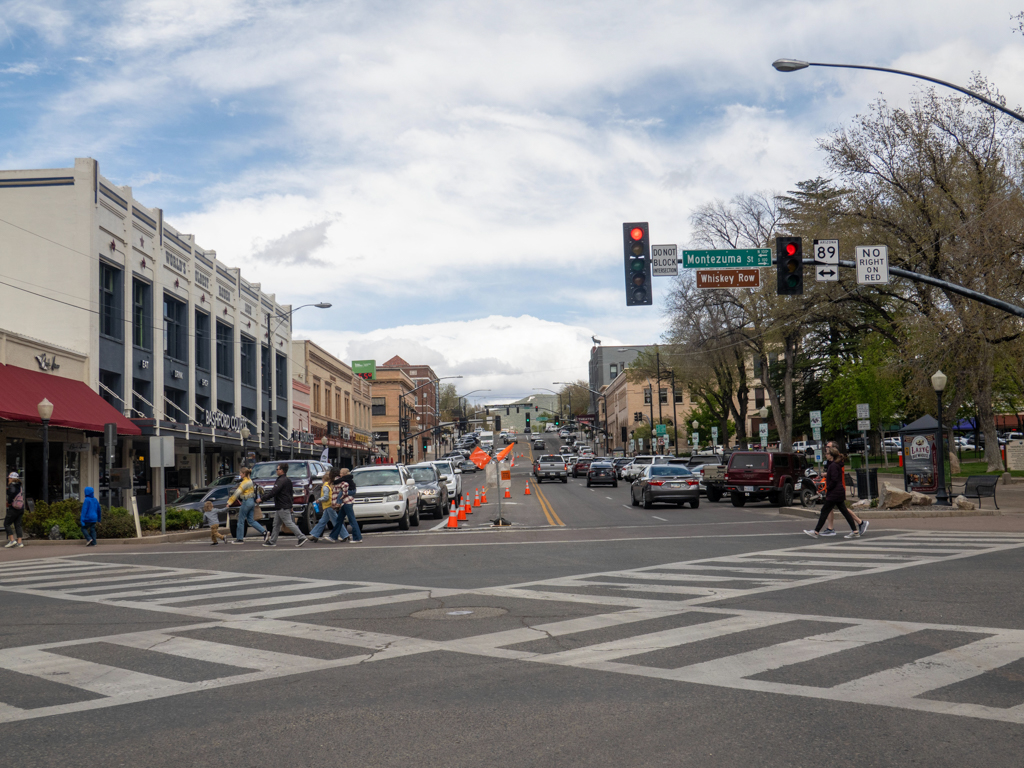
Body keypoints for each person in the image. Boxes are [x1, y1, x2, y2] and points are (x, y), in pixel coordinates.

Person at [805, 447, 862, 539]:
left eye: (827, 454)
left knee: (824, 511)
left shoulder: (834, 466)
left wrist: (828, 487)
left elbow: (834, 479)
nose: (826, 455)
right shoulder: (835, 464)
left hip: (834, 492)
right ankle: (855, 531)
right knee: (844, 512)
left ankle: (816, 532)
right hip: (838, 492)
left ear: (831, 456)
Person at [819, 441, 868, 537]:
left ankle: (860, 522)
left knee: (842, 508)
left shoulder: (837, 460)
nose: (826, 448)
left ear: (834, 449)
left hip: (837, 487)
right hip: (833, 487)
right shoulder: (831, 459)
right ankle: (830, 528)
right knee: (833, 508)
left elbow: (835, 474)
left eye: (828, 447)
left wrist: (826, 474)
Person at [264, 463, 307, 547]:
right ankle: (272, 541)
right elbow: (290, 494)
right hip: (283, 505)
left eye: (277, 469)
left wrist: (262, 499)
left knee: (288, 523)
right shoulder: (288, 480)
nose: (276, 471)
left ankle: (301, 537)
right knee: (276, 524)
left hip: (282, 505)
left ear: (281, 470)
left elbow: (273, 492)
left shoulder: (280, 481)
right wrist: (291, 505)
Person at [228, 467, 266, 544]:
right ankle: (264, 532)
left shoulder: (244, 483)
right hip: (252, 501)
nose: (239, 475)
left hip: (246, 502)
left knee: (241, 520)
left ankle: (239, 539)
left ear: (244, 474)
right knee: (251, 520)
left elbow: (237, 493)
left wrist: (229, 502)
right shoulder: (250, 481)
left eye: (240, 473)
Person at [328, 467, 362, 543]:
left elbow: (345, 486)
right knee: (339, 520)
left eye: (341, 473)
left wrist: (341, 497)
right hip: (345, 503)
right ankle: (333, 537)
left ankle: (357, 538)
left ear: (343, 474)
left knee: (352, 520)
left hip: (347, 502)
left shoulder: (343, 481)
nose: (339, 474)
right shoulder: (345, 479)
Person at [307, 469, 339, 543]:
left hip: (328, 506)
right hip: (329, 506)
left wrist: (318, 500)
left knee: (335, 522)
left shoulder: (325, 486)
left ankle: (345, 535)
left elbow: (326, 497)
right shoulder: (329, 485)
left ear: (323, 479)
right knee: (323, 521)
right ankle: (314, 535)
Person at [4, 472, 25, 548]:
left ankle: (12, 540)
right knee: (18, 524)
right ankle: (20, 542)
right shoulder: (20, 486)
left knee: (6, 523)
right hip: (21, 507)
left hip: (14, 508)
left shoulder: (12, 486)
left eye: (9, 478)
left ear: (12, 478)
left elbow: (11, 493)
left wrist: (9, 502)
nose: (8, 479)